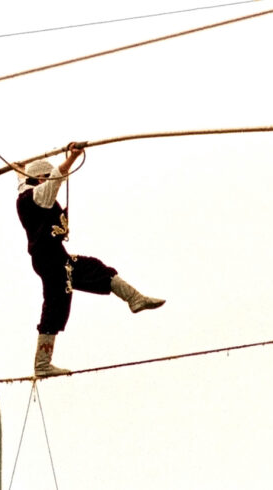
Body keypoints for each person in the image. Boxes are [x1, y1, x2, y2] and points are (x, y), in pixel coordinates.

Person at [16, 147, 165, 377]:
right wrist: (73, 157)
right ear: (39, 179)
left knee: (94, 269)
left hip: (57, 257)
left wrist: (20, 169)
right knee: (56, 302)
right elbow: (56, 177)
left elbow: (26, 180)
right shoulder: (37, 197)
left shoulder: (27, 191)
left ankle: (134, 298)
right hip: (49, 259)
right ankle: (42, 364)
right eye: (45, 179)